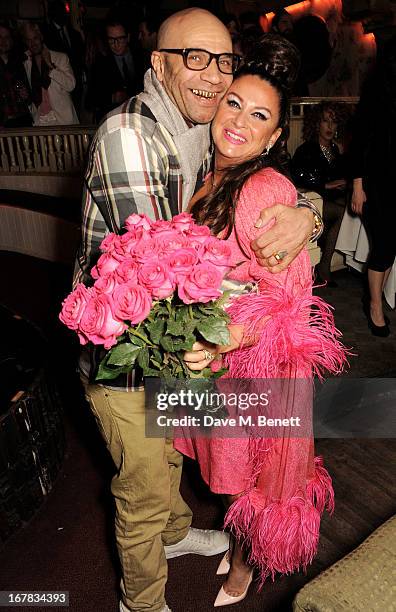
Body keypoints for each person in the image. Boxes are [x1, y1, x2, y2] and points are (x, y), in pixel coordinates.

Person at [73, 8, 323, 612]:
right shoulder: (136, 135)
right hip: (126, 360)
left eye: (223, 63)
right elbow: (154, 274)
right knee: (145, 487)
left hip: (222, 359)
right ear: (158, 64)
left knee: (232, 475)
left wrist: (306, 210)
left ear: (272, 136)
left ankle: (191, 540)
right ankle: (144, 601)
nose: (215, 82)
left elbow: (287, 292)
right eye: (196, 58)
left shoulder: (212, 144)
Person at [176, 34, 346, 607]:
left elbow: (290, 303)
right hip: (219, 368)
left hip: (250, 372)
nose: (240, 122)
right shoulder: (212, 175)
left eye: (260, 115)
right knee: (228, 479)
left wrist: (223, 343)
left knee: (251, 483)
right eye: (234, 104)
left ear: (275, 136)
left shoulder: (263, 188)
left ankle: (245, 569)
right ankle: (236, 542)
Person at [350, 35, 396, 337]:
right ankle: (375, 306)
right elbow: (358, 142)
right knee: (383, 248)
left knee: (391, 249)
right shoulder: (377, 89)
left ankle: (376, 297)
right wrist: (357, 185)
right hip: (377, 183)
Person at [292, 101, 348, 285]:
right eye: (325, 121)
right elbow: (299, 179)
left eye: (334, 122)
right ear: (317, 124)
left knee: (347, 209)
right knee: (342, 212)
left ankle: (327, 266)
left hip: (331, 201)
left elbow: (343, 176)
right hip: (312, 203)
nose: (330, 127)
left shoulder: (334, 150)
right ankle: (324, 266)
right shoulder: (306, 150)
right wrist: (328, 185)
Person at [21, 22, 78, 126]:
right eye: (28, 40)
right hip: (40, 121)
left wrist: (51, 67)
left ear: (41, 37)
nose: (32, 43)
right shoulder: (26, 63)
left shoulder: (60, 58)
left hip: (63, 121)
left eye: (35, 38)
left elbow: (71, 85)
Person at [87, 16, 143, 123]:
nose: (116, 44)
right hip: (113, 121)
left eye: (120, 39)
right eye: (111, 40)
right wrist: (111, 98)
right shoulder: (100, 64)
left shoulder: (140, 57)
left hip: (139, 119)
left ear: (128, 37)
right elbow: (90, 100)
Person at [0, 23, 32, 128]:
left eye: (7, 37)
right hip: (3, 123)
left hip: (23, 119)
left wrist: (26, 95)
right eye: (0, 37)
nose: (3, 41)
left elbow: (29, 94)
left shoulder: (19, 62)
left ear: (12, 41)